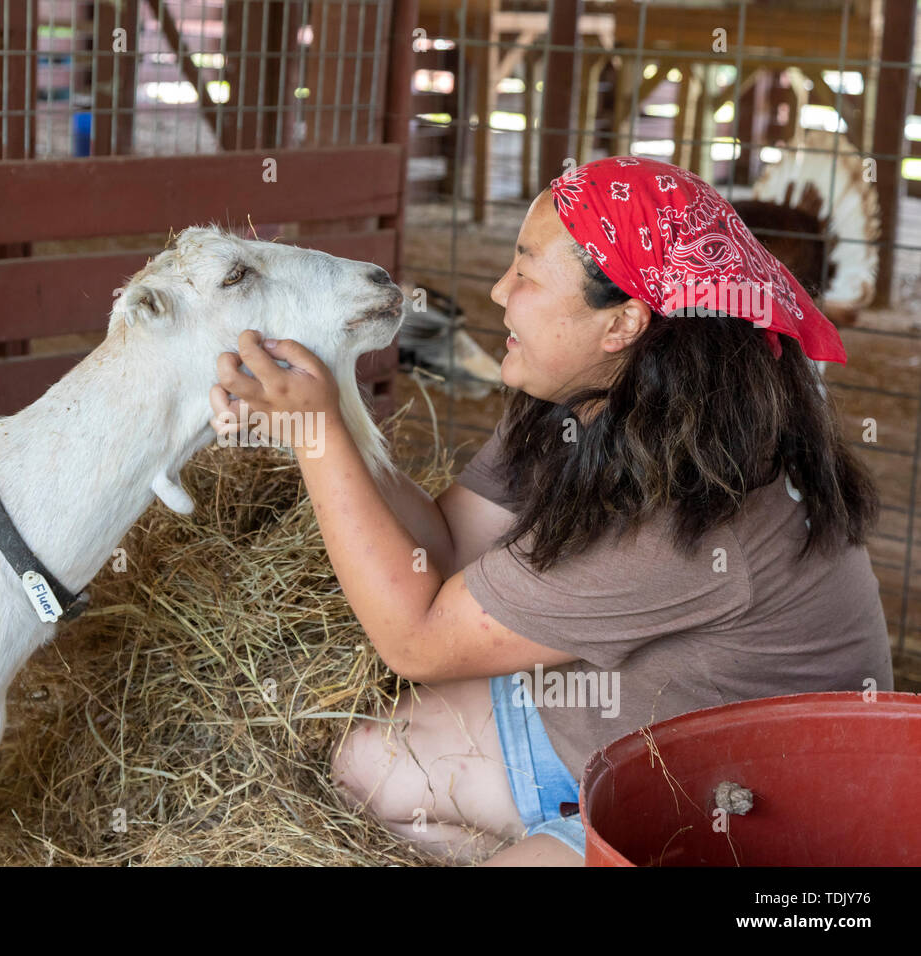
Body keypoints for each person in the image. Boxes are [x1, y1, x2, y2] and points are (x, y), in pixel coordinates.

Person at [208, 156, 892, 866]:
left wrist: (317, 435)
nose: (501, 292)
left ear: (624, 321)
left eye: (527, 274)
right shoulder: (586, 398)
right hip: (617, 728)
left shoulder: (693, 512)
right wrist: (330, 414)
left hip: (718, 818)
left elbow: (416, 643)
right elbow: (440, 549)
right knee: (364, 763)